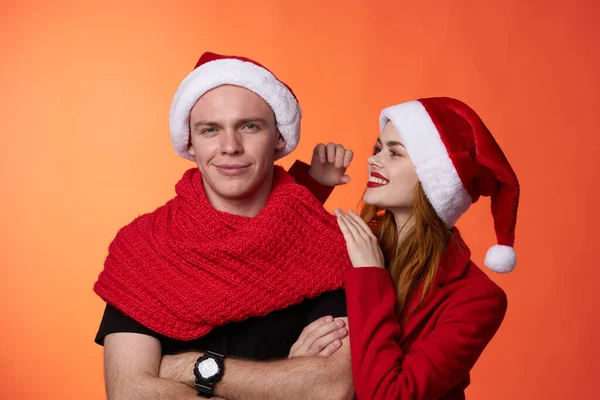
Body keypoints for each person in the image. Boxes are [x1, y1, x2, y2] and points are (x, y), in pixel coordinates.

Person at [93, 52, 355, 400]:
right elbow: (130, 394)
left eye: (249, 126)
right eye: (210, 130)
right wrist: (286, 386)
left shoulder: (326, 245)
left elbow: (330, 388)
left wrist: (185, 368)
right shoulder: (143, 249)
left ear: (278, 137)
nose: (230, 147)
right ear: (190, 142)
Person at [333, 97, 519, 399]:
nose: (373, 159)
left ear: (434, 179)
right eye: (378, 148)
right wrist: (313, 182)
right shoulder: (357, 237)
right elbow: (273, 255)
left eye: (394, 153)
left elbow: (390, 395)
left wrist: (370, 275)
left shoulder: (478, 300)